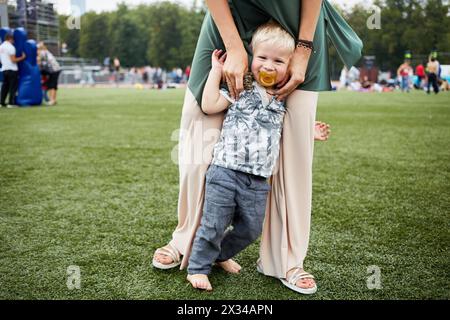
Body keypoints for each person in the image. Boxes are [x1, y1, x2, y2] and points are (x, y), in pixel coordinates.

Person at [152, 0, 362, 294]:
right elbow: (212, 104)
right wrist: (234, 48)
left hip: (297, 26)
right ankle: (186, 238)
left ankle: (285, 258)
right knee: (198, 120)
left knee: (296, 142)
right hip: (229, 14)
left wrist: (303, 50)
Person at [187, 21, 306, 292]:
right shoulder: (242, 86)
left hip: (258, 180)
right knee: (214, 223)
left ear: (290, 66)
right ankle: (197, 267)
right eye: (262, 57)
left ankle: (220, 256)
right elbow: (209, 106)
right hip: (225, 171)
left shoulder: (283, 97)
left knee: (250, 230)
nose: (268, 65)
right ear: (252, 57)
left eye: (278, 61)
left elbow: (288, 127)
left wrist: (310, 131)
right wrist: (216, 72)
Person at [0, 33, 26, 108]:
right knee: (12, 87)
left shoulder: (1, 47)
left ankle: (2, 102)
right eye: (13, 39)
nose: (14, 41)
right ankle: (11, 103)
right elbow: (13, 60)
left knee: (4, 87)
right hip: (12, 69)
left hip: (4, 69)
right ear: (10, 39)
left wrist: (5, 63)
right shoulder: (11, 47)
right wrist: (22, 57)